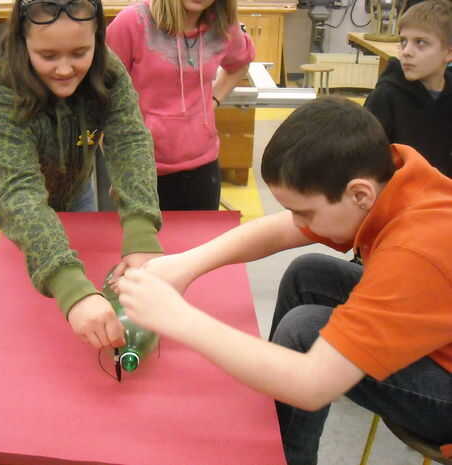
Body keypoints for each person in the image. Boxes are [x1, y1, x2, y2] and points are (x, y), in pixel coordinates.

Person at [117, 97, 452, 464]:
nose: (298, 223)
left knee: (305, 333)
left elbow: (312, 385)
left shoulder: (413, 251)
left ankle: (288, 457)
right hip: (435, 332)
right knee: (308, 273)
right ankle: (276, 421)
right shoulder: (389, 176)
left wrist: (178, 318)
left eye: (303, 212)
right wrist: (184, 266)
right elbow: (280, 231)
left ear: (360, 194)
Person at [0, 0, 164, 350]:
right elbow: (18, 194)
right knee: (15, 291)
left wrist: (141, 231)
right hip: (8, 196)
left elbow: (129, 142)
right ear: (23, 43)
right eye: (47, 56)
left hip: (74, 188)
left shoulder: (108, 71)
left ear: (97, 39)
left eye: (79, 53)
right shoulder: (5, 91)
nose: (64, 69)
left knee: (84, 260)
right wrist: (71, 289)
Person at [106, 0, 255, 210]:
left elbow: (239, 63)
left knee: (201, 232)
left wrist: (212, 101)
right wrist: (121, 169)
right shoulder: (132, 22)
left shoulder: (222, 24)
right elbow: (104, 95)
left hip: (203, 168)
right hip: (142, 168)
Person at [364, 0, 452, 177]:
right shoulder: (385, 96)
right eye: (403, 42)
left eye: (420, 43)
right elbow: (366, 163)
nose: (406, 52)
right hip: (398, 191)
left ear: (449, 53)